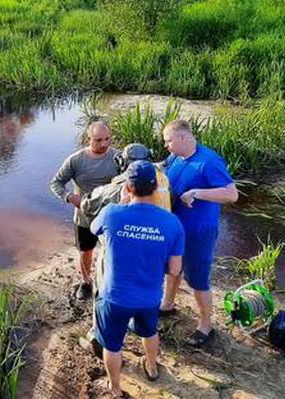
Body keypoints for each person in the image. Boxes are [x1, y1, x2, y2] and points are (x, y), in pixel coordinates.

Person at [91, 161, 184, 398]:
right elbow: (175, 269)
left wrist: (122, 204)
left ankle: (115, 388)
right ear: (155, 187)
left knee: (112, 345)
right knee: (149, 332)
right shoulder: (172, 222)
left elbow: (93, 229)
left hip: (114, 296)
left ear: (128, 187)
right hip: (149, 296)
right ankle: (151, 367)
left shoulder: (112, 213)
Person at [79, 143, 171, 357]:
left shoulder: (114, 190)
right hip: (152, 254)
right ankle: (146, 344)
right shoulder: (163, 183)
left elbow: (88, 206)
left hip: (116, 254)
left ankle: (98, 339)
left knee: (102, 292)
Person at [160, 119, 238, 346]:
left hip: (198, 232)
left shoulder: (209, 161)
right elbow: (164, 168)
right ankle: (167, 304)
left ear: (183, 138)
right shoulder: (176, 156)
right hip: (176, 227)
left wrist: (197, 192)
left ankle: (205, 326)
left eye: (168, 141)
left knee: (198, 280)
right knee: (173, 268)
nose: (166, 145)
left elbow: (231, 194)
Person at [50, 121, 120, 300]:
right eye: (98, 140)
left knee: (112, 250)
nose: (104, 144)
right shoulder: (76, 160)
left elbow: (131, 182)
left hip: (112, 216)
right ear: (88, 139)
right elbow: (56, 183)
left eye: (107, 139)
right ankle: (86, 281)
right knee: (85, 251)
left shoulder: (119, 158)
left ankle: (110, 281)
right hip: (84, 217)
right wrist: (69, 197)